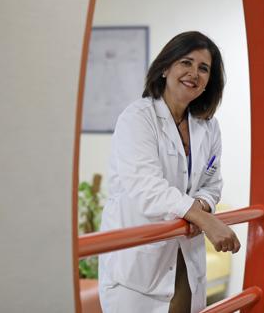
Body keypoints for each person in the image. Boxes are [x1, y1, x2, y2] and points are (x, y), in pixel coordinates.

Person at [98, 31, 240, 313]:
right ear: (165, 68)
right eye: (186, 62)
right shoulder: (137, 118)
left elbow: (212, 183)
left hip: (185, 255)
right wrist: (204, 219)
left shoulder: (207, 125)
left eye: (203, 68)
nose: (194, 73)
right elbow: (147, 188)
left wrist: (201, 204)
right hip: (137, 266)